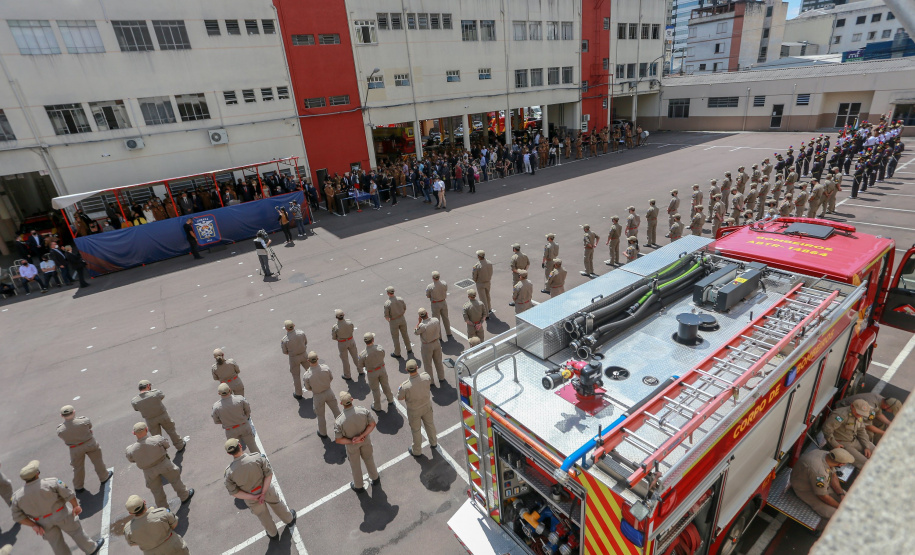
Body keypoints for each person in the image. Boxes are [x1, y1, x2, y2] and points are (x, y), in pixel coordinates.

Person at [11, 460, 104, 555]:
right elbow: (69, 494)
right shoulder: (51, 483)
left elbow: (17, 517)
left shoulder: (17, 497)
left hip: (42, 522)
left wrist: (33, 525)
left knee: (57, 544)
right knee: (76, 532)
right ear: (37, 473)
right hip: (62, 514)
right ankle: (91, 549)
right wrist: (75, 506)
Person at [223, 439, 297, 541]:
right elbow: (268, 474)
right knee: (277, 504)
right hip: (266, 489)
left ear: (228, 453)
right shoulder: (256, 457)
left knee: (263, 515)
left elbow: (234, 493)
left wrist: (253, 497)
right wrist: (262, 493)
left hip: (251, 497)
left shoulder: (229, 473)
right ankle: (289, 520)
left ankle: (273, 533)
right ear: (240, 445)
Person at [125, 422, 194, 510]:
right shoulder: (157, 439)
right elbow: (167, 445)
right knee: (175, 480)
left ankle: (164, 510)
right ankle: (184, 496)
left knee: (157, 492)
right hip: (163, 463)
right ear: (146, 430)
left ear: (134, 433)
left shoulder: (130, 450)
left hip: (148, 471)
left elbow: (131, 460)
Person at [57, 405, 112, 494]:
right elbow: (89, 426)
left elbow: (62, 437)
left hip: (75, 448)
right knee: (98, 461)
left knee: (78, 468)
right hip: (89, 443)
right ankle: (104, 477)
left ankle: (78, 486)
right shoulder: (83, 421)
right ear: (74, 412)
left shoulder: (60, 429)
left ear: (61, 416)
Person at [789, 448, 854, 521]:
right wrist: (839, 507)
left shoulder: (828, 455)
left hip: (818, 482)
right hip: (805, 488)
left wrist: (841, 494)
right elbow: (822, 496)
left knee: (850, 501)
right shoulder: (819, 473)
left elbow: (833, 475)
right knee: (838, 515)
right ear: (841, 464)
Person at [334, 392, 380, 492]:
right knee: (369, 459)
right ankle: (375, 478)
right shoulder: (363, 411)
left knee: (355, 465)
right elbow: (372, 424)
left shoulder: (339, 421)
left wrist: (352, 441)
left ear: (341, 403)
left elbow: (338, 439)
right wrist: (362, 436)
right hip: (365, 441)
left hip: (352, 446)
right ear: (352, 399)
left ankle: (358, 486)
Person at [123, 494, 189, 554]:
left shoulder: (128, 529)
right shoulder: (162, 513)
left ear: (130, 513)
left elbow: (133, 543)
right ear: (144, 502)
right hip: (173, 546)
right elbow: (174, 524)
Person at [131, 381, 186, 452]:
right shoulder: (155, 393)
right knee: (171, 431)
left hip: (150, 420)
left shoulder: (135, 400)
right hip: (162, 415)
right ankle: (179, 445)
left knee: (156, 438)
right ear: (148, 386)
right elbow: (162, 396)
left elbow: (136, 409)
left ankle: (162, 452)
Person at [821, 398, 875, 469]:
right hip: (842, 443)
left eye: (862, 414)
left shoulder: (858, 415)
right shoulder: (841, 415)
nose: (859, 415)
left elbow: (861, 431)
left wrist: (866, 446)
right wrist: (835, 444)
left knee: (876, 451)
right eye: (858, 412)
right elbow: (827, 429)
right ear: (852, 406)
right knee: (865, 464)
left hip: (854, 440)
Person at [399, 359, 437, 457]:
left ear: (406, 370)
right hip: (426, 406)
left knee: (416, 431)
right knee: (430, 425)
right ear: (417, 367)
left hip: (414, 411)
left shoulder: (405, 386)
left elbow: (400, 397)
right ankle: (433, 442)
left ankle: (417, 450)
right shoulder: (426, 377)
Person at [303, 351, 341, 438]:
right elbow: (331, 378)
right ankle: (343, 427)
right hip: (328, 391)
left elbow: (308, 388)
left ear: (308, 361)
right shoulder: (325, 368)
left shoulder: (307, 375)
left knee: (320, 416)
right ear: (318, 359)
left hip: (317, 396)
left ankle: (323, 433)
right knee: (336, 411)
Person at [835, 393, 901, 442]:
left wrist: (889, 423)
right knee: (869, 434)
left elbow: (878, 413)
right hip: (844, 412)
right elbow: (867, 426)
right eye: (891, 411)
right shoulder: (870, 405)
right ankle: (866, 446)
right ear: (887, 406)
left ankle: (877, 442)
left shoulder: (881, 400)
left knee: (881, 423)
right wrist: (884, 433)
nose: (890, 412)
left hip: (856, 412)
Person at [211, 384, 256, 453]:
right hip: (244, 426)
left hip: (230, 431)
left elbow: (216, 421)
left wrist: (227, 422)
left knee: (237, 452)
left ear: (219, 393)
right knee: (253, 447)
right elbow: (248, 410)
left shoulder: (216, 407)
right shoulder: (239, 399)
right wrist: (244, 419)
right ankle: (260, 462)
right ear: (229, 390)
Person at [358, 333, 395, 412]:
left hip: (372, 372)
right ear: (373, 340)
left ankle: (377, 406)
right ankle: (390, 399)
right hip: (381, 369)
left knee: (375, 390)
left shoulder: (363, 354)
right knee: (386, 385)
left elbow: (360, 365)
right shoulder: (380, 348)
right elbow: (383, 355)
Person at [414, 307, 445, 387]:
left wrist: (418, 322)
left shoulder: (422, 325)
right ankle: (441, 377)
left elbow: (416, 332)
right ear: (427, 313)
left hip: (427, 346)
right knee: (438, 361)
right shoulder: (435, 320)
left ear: (420, 316)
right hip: (436, 342)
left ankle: (431, 382)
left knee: (428, 364)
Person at [281, 320, 308, 399]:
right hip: (304, 354)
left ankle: (298, 393)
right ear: (294, 325)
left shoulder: (285, 340)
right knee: (310, 371)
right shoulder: (301, 333)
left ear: (286, 328)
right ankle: (314, 386)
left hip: (294, 358)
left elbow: (285, 352)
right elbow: (305, 342)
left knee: (296, 376)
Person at [332, 309, 360, 380]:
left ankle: (347, 375)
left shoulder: (335, 327)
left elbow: (334, 337)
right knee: (355, 356)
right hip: (351, 340)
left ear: (336, 317)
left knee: (345, 360)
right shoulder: (349, 322)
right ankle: (361, 370)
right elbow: (352, 330)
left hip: (342, 343)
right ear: (343, 315)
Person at [425, 271, 453, 337]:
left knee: (436, 320)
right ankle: (448, 332)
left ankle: (439, 336)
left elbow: (428, 296)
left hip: (435, 304)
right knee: (446, 318)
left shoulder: (430, 286)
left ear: (432, 277)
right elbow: (445, 290)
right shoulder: (444, 283)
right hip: (443, 302)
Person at [472, 250, 494, 317]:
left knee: (483, 298)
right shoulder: (489, 263)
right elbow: (491, 272)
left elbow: (474, 276)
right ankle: (489, 308)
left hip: (480, 283)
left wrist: (475, 280)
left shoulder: (477, 266)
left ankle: (486, 314)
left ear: (479, 256)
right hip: (488, 282)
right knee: (487, 296)